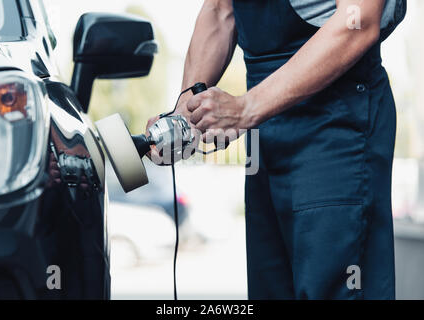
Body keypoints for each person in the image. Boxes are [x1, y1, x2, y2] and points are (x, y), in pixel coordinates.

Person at [147, 0, 405, 299]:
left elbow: (358, 20)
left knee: (336, 287)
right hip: (264, 128)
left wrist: (247, 107)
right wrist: (185, 115)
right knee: (270, 288)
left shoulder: (254, 108)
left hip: (336, 121)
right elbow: (219, 10)